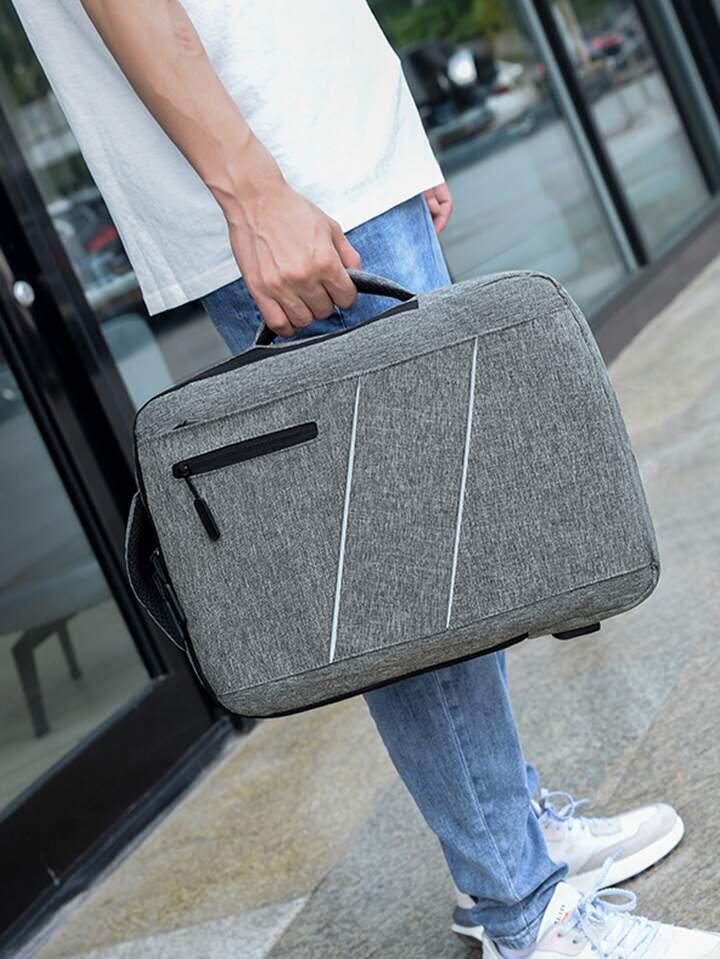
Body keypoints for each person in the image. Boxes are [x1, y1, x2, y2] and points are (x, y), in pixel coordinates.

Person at [11, 3, 719, 957]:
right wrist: (255, 193)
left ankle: (507, 839)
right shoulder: (270, 188)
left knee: (442, 545)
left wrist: (388, 137)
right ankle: (520, 905)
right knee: (400, 567)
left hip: (335, 162)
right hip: (286, 182)